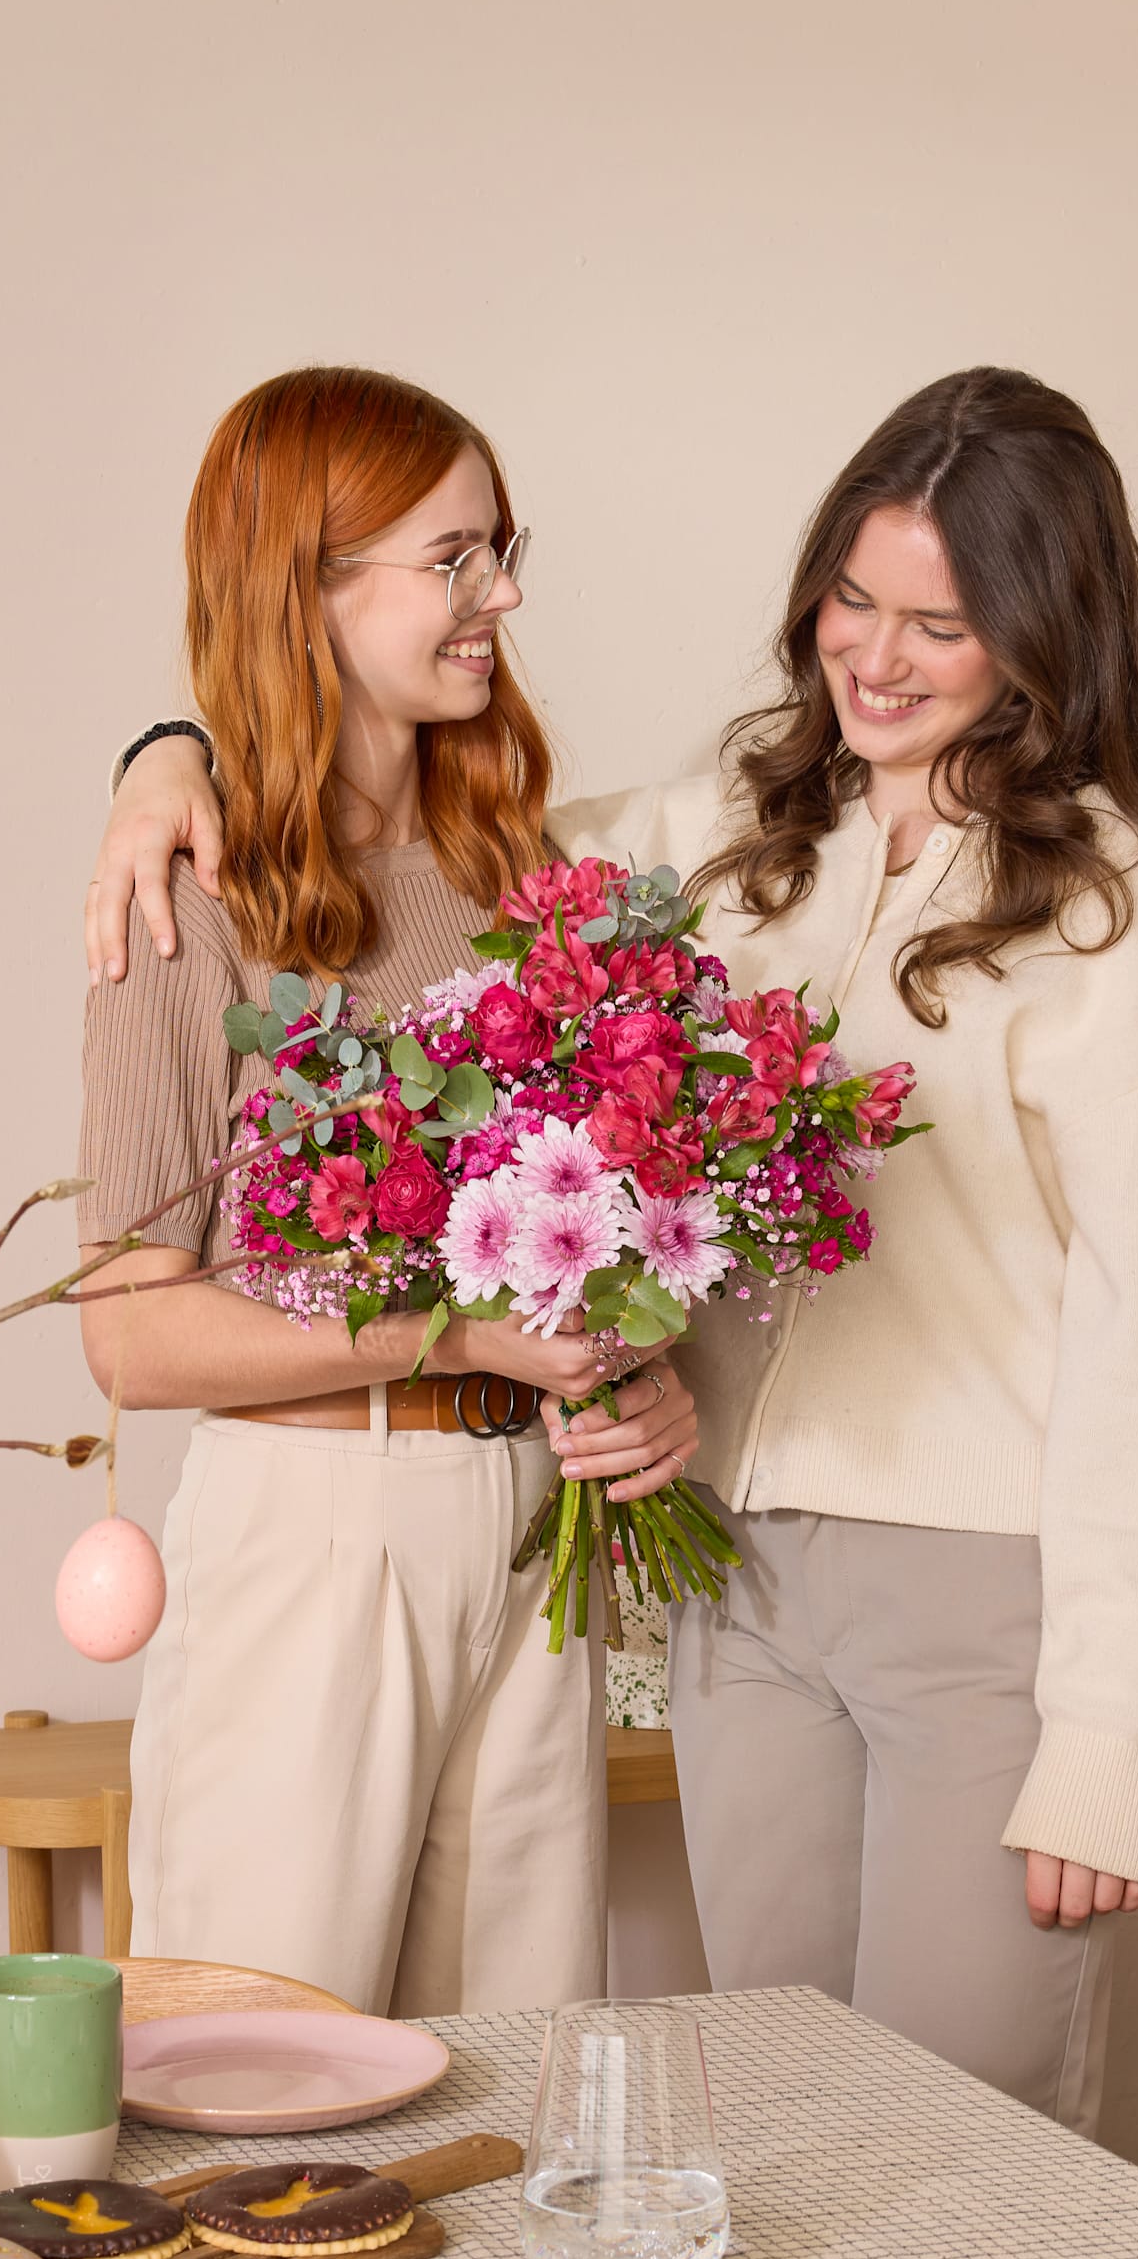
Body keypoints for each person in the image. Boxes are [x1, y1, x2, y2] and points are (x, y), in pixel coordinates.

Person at [88, 366, 1138, 2135]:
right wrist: (168, 755)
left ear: (1038, 634)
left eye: (943, 620)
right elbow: (432, 849)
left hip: (980, 1599)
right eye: (854, 599)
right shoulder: (747, 833)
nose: (879, 655)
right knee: (781, 2114)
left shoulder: (1104, 906)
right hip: (739, 1591)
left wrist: (1115, 1741)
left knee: (970, 2135)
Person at [75, 364, 699, 2018]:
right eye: (454, 558)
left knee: (512, 2096)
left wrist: (637, 1373)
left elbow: (580, 1239)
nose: (500, 595)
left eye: (501, 550)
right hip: (313, 1540)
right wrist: (460, 1341)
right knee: (258, 2096)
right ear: (313, 583)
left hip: (528, 1539)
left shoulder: (525, 870)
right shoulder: (185, 888)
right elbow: (132, 1339)